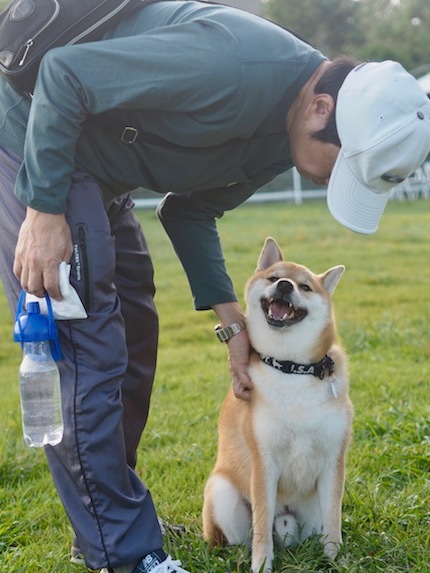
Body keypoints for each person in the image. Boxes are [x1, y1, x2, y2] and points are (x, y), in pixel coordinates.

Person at [0, 1, 429, 572]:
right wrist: (45, 209)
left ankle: (106, 519)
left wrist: (234, 326)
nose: (330, 181)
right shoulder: (230, 66)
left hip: (102, 170)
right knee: (89, 348)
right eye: (339, 165)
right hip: (36, 145)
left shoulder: (287, 129)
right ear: (321, 107)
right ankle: (125, 552)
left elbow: (190, 213)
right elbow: (63, 75)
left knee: (136, 329)